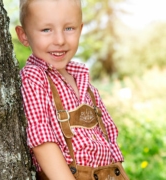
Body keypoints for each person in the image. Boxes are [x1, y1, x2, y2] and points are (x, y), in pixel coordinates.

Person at [15, 0, 126, 179]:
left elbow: (110, 139)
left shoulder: (85, 82)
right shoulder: (34, 78)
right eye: (46, 30)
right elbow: (42, 141)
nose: (60, 40)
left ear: (80, 29)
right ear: (24, 35)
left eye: (69, 28)